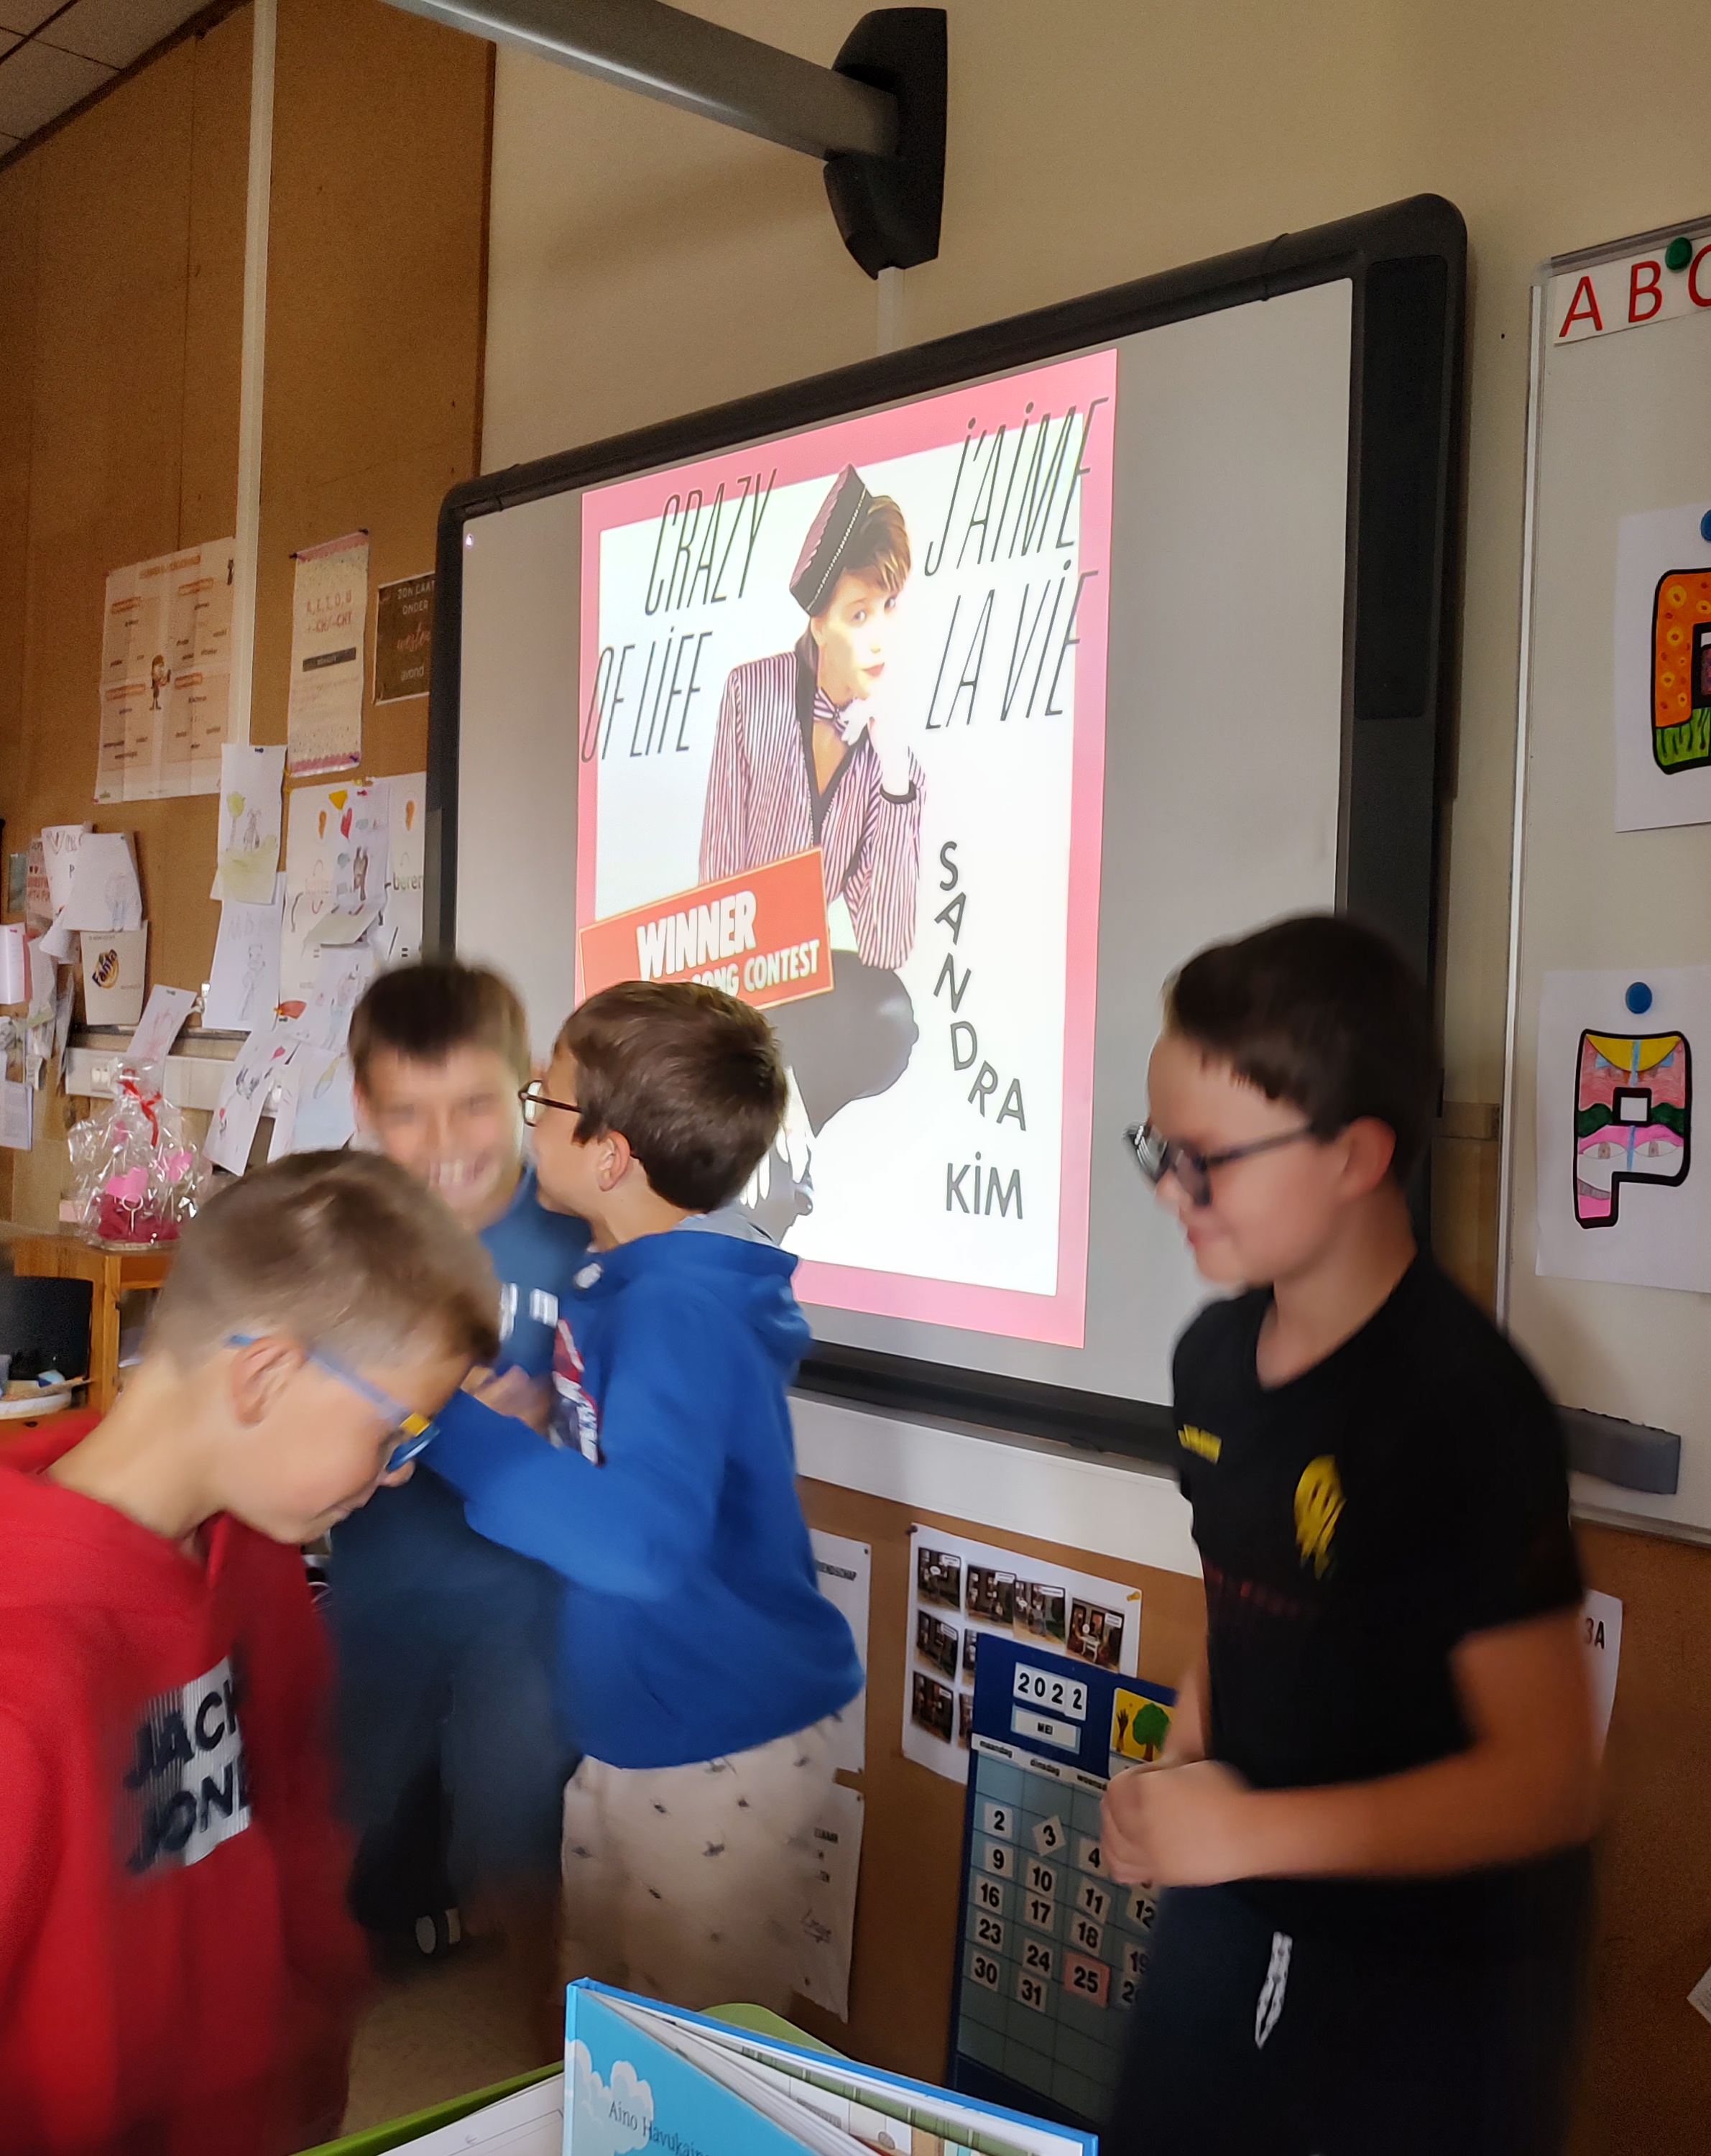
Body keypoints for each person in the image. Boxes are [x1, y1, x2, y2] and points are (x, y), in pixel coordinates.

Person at [1099, 914, 1602, 2156]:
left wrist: (1251, 1829)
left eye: (1207, 1159)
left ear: (1355, 1156)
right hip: (1239, 1902)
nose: (1169, 1190)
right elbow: (1247, 1599)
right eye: (1158, 1149)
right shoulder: (1214, 1359)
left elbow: (1546, 1782)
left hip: (1429, 1975)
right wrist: (1178, 1762)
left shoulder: (1459, 1409)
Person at [0, 1153, 499, 2153]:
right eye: (396, 1434)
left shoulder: (253, 1551)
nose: (400, 1475)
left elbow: (294, 1809)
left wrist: (311, 2036)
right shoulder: (28, 1677)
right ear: (265, 1375)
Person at [424, 980, 862, 2011]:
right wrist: (537, 1422)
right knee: (611, 2019)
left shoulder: (676, 1309)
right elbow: (641, 1470)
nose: (531, 1118)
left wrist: (453, 1429)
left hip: (715, 1745)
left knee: (695, 2052)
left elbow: (640, 1544)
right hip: (634, 1725)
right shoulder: (625, 1282)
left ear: (611, 1154)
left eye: (546, 1100)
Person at [329, 962, 588, 2011]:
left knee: (520, 1844)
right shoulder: (344, 1232)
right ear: (363, 1106)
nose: (446, 1144)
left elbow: (639, 1430)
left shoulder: (579, 1227)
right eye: (409, 1113)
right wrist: (367, 1429)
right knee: (339, 1817)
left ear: (526, 1084)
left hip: (525, 1609)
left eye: (475, 1105)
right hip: (377, 1598)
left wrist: (552, 1427)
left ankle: (552, 2054)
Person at [697, 464, 924, 1235]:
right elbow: (718, 877)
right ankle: (770, 1158)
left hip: (810, 989)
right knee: (759, 1044)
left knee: (891, 1015)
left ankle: (777, 1142)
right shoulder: (751, 694)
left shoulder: (893, 756)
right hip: (737, 977)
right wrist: (752, 1030)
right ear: (819, 621)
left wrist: (896, 789)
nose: (879, 636)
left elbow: (887, 944)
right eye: (859, 613)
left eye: (889, 607)